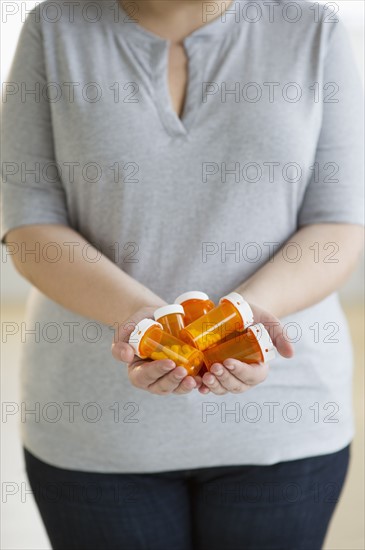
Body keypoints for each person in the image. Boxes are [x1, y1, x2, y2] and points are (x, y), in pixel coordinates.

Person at [2, 0, 364, 548]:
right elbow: (30, 227)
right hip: (95, 428)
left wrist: (236, 322)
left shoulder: (314, 31)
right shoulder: (55, 29)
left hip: (285, 424)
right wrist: (145, 325)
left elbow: (338, 227)